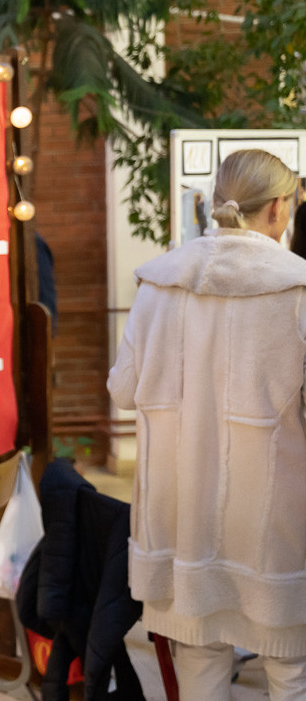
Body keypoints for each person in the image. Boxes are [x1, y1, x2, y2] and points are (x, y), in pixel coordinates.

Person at [108, 149, 306, 700]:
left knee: (198, 666)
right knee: (291, 670)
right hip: (274, 523)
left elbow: (123, 390)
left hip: (181, 520)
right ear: (279, 207)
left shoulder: (160, 283)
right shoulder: (298, 290)